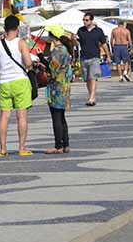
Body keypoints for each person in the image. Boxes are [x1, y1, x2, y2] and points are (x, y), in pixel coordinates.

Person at [0, 15, 33, 158]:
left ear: (5, 28)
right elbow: (28, 63)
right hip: (20, 81)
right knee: (21, 116)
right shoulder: (21, 43)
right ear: (17, 28)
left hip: (4, 82)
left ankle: (2, 148)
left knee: (4, 116)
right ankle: (22, 148)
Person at [42, 25, 74, 154]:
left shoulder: (57, 51)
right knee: (61, 117)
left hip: (56, 87)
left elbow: (52, 69)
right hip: (65, 87)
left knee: (56, 117)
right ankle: (65, 144)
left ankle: (58, 145)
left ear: (53, 37)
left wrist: (41, 59)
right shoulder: (66, 49)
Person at [76, 12, 110, 106]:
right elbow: (77, 43)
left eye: (86, 20)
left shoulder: (98, 31)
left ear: (91, 20)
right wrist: (73, 40)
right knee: (87, 79)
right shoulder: (81, 30)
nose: (85, 22)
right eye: (84, 20)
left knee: (93, 77)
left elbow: (103, 43)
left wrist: (108, 55)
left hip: (95, 56)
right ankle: (92, 95)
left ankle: (91, 98)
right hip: (83, 56)